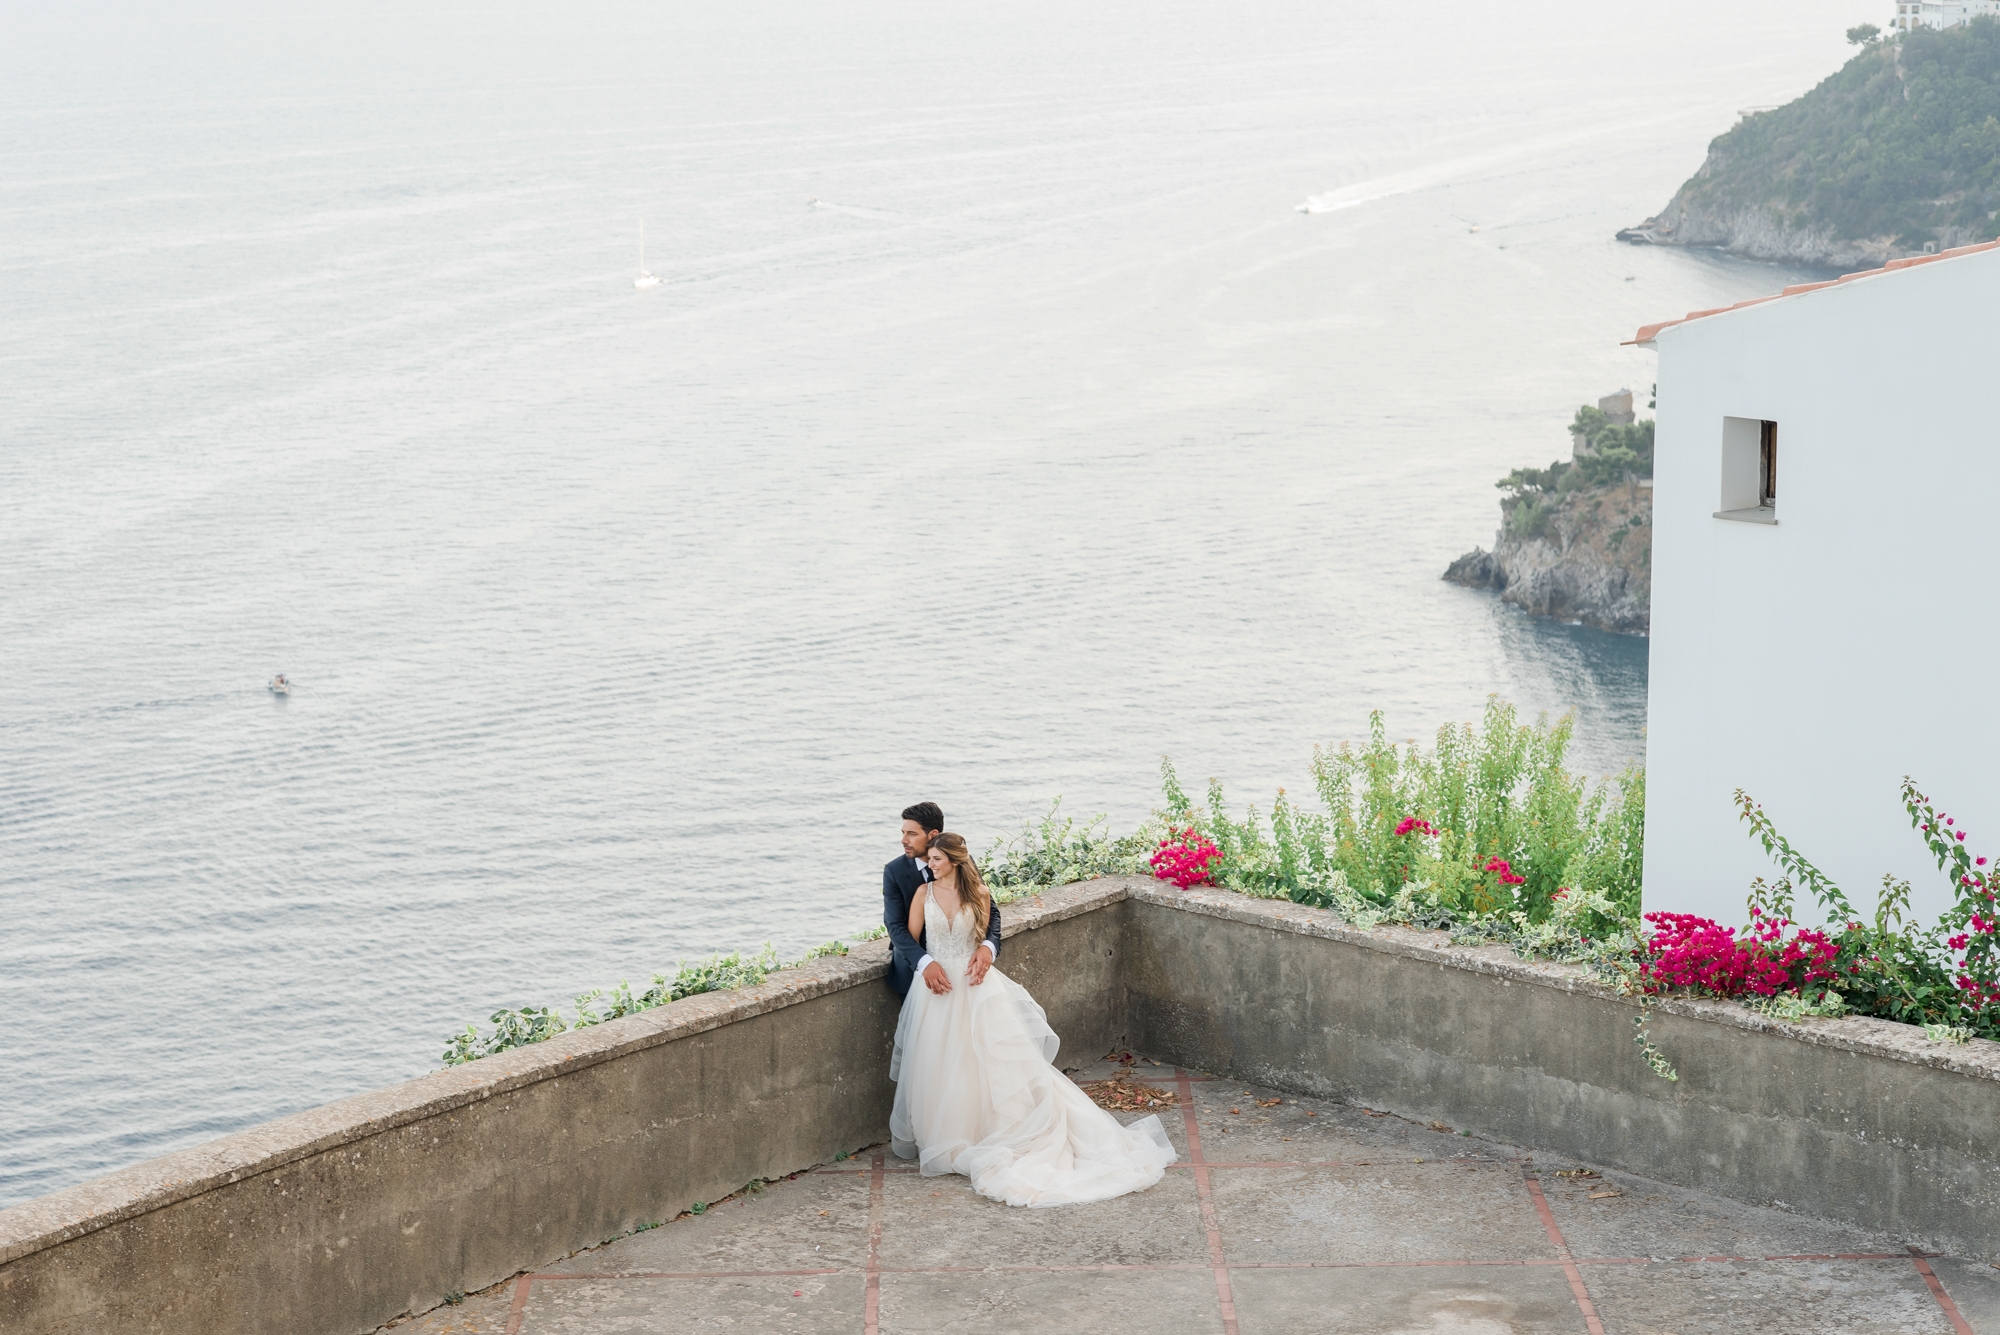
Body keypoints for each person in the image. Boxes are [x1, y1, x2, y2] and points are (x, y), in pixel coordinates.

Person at [887, 831, 1177, 1207]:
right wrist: (924, 965)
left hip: (977, 987)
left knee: (991, 1062)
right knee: (943, 1063)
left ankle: (998, 1131)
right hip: (937, 991)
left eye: (938, 860)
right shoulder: (923, 894)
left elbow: (987, 933)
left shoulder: (980, 894)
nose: (930, 865)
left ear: (956, 862)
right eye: (931, 859)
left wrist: (985, 951)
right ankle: (950, 1134)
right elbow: (906, 939)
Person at [882, 802, 1000, 999]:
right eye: (903, 832)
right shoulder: (894, 871)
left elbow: (990, 910)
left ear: (933, 834)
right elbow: (894, 925)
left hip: (967, 972)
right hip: (916, 972)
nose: (903, 840)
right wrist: (924, 962)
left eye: (912, 834)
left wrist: (988, 947)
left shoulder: (961, 860)